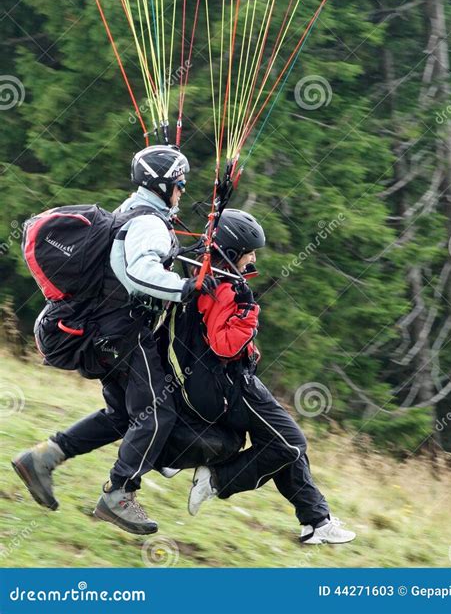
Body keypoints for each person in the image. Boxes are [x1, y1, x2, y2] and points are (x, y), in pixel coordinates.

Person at [12, 145, 216, 536]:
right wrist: (188, 287)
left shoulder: (132, 211)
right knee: (157, 413)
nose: (183, 191)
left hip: (108, 335)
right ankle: (119, 493)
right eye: (180, 184)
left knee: (123, 416)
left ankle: (42, 458)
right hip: (125, 335)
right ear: (163, 186)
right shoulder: (148, 224)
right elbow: (139, 273)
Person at [168, 209, 356, 545]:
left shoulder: (205, 273)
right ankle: (217, 481)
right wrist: (248, 316)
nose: (254, 258)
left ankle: (317, 521)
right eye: (250, 252)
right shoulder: (227, 289)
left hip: (219, 381)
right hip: (228, 384)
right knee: (290, 442)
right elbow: (224, 346)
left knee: (283, 440)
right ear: (233, 251)